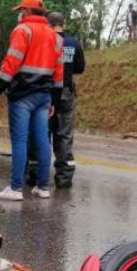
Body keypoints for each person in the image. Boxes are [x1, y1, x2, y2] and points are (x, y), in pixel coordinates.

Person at [0, 0, 63, 201]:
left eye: (22, 10)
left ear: (29, 11)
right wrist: (54, 101)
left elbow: (12, 61)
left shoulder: (23, 30)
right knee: (42, 140)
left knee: (20, 140)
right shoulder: (56, 38)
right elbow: (59, 73)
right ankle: (42, 187)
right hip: (44, 97)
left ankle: (14, 188)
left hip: (22, 95)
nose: (20, 14)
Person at [26, 11, 85, 188]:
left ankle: (35, 175)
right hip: (66, 94)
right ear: (63, 24)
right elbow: (80, 68)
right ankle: (64, 178)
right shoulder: (73, 43)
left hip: (45, 93)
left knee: (40, 134)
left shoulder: (44, 41)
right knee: (65, 136)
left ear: (48, 25)